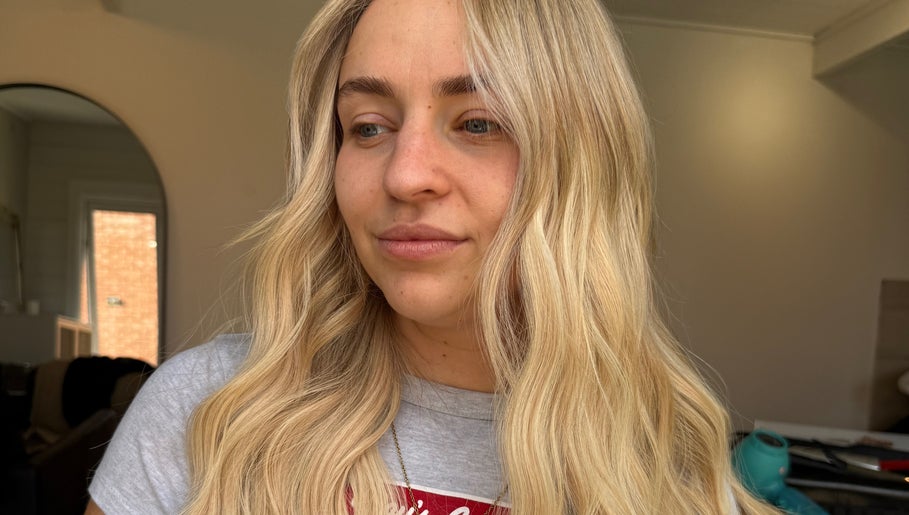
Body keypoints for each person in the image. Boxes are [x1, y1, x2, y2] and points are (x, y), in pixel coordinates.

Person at [87, 0, 777, 513]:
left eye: (477, 122)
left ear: (579, 161)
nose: (404, 173)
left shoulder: (669, 472)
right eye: (368, 128)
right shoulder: (208, 411)